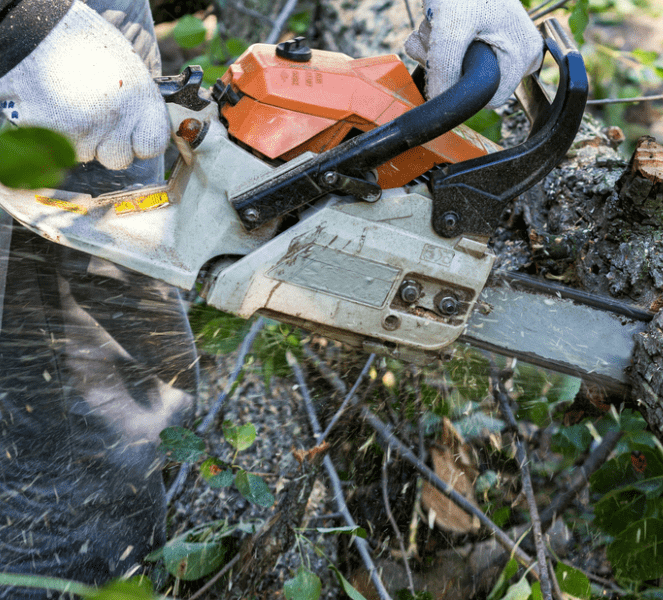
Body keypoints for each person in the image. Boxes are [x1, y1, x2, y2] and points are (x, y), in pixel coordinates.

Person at [0, 0, 542, 594]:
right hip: (40, 39)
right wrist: (23, 25)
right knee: (78, 432)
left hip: (90, 22)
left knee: (123, 371)